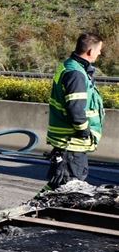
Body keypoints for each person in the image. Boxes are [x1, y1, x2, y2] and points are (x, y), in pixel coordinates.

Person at [45, 32, 105, 189]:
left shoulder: (70, 66)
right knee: (68, 189)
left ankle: (37, 212)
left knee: (58, 187)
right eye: (99, 50)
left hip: (67, 143)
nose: (100, 53)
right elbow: (76, 109)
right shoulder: (76, 73)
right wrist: (84, 131)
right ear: (90, 51)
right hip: (72, 143)